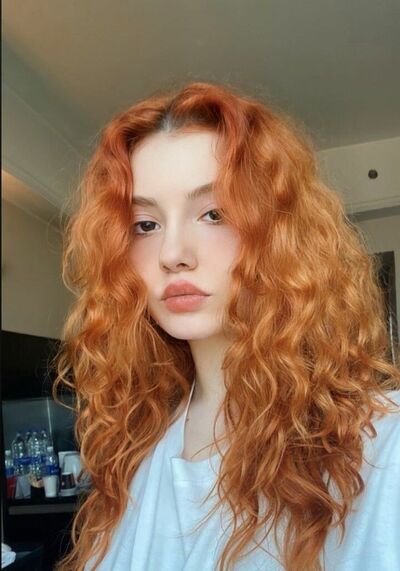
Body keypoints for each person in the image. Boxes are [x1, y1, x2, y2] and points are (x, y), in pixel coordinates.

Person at [53, 81, 400, 571]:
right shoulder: (134, 447)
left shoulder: (382, 447)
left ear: (278, 233)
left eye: (214, 213)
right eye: (145, 225)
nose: (173, 254)